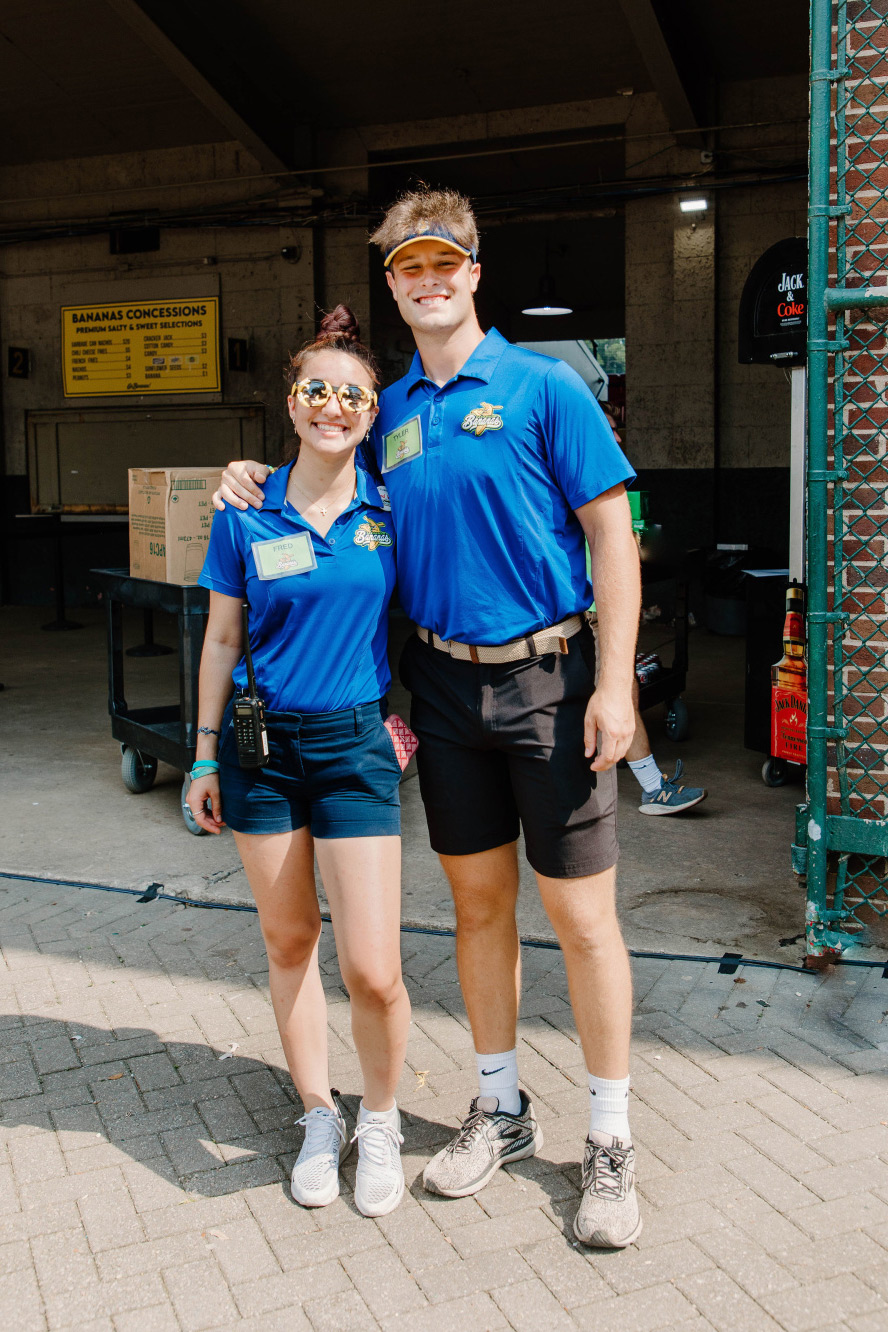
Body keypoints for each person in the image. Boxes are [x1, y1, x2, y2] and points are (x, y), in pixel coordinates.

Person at [215, 188, 643, 1247]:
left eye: (446, 262)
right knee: (479, 909)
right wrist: (248, 475)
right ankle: (498, 1105)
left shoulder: (548, 387)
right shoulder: (391, 406)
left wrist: (617, 682)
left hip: (549, 680)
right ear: (395, 285)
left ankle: (610, 1137)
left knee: (585, 920)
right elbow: (319, 476)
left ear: (476, 273)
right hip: (442, 691)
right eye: (409, 267)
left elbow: (613, 538)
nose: (429, 279)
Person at [187, 307, 410, 1218]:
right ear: (291, 403)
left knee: (375, 968)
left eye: (352, 393)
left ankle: (384, 1119)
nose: (335, 405)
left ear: (371, 410)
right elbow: (222, 636)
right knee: (290, 943)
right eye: (318, 389)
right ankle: (320, 1113)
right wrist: (203, 758)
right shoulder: (246, 510)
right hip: (261, 750)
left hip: (355, 745)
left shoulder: (393, 507)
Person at [598, 401, 708, 817]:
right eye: (610, 428)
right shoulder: (563, 478)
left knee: (622, 687)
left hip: (598, 612)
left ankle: (651, 786)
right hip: (569, 616)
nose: (619, 437)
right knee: (618, 689)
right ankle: (652, 787)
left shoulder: (608, 482)